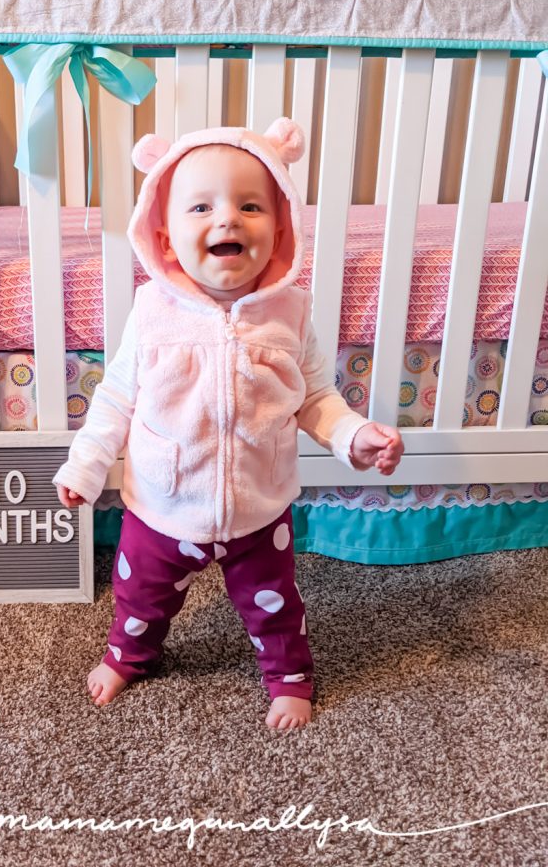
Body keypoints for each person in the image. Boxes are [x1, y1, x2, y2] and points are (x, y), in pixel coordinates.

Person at [54, 118, 404, 731]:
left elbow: (315, 396)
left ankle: (289, 677)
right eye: (201, 206)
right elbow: (116, 397)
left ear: (281, 226)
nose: (228, 219)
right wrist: (85, 465)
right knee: (139, 598)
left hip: (258, 507)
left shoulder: (289, 314)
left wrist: (353, 435)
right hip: (163, 503)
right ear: (164, 236)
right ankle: (128, 655)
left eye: (250, 206)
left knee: (274, 606)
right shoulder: (153, 311)